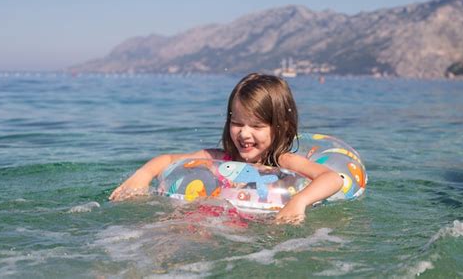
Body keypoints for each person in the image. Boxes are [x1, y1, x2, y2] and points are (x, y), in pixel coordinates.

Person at [109, 73, 343, 223]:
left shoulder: (282, 161)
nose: (244, 133)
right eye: (237, 123)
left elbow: (332, 178)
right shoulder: (220, 158)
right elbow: (168, 159)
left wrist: (298, 202)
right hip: (203, 221)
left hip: (249, 231)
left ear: (279, 126)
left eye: (257, 126)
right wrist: (142, 175)